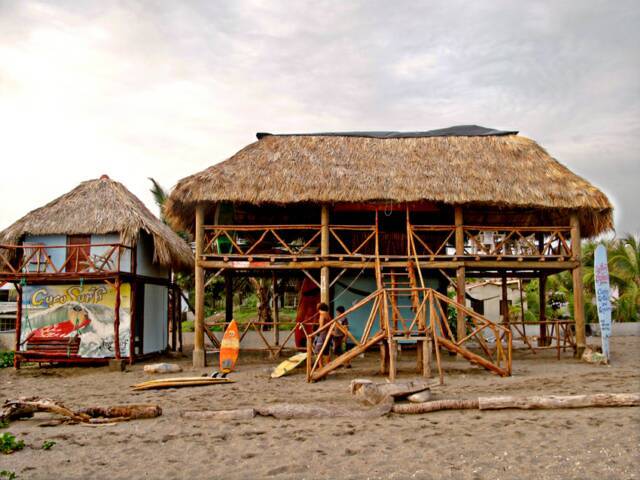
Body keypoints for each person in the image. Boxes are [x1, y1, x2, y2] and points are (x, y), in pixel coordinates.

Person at [312, 303, 332, 367]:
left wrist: (314, 333)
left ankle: (321, 366)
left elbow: (321, 326)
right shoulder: (327, 314)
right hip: (327, 333)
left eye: (318, 305)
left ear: (320, 307)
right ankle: (328, 365)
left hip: (322, 334)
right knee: (326, 351)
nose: (316, 306)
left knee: (318, 350)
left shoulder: (322, 314)